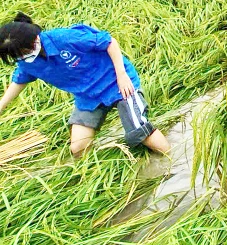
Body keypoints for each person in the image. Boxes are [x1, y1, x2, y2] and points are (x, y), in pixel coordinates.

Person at [0, 13, 170, 158]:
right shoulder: (26, 62)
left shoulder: (63, 38)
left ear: (34, 40)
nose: (22, 58)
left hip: (117, 84)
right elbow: (19, 80)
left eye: (23, 52)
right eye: (17, 56)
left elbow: (109, 42)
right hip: (88, 97)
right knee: (78, 148)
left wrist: (122, 75)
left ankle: (172, 163)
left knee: (140, 132)